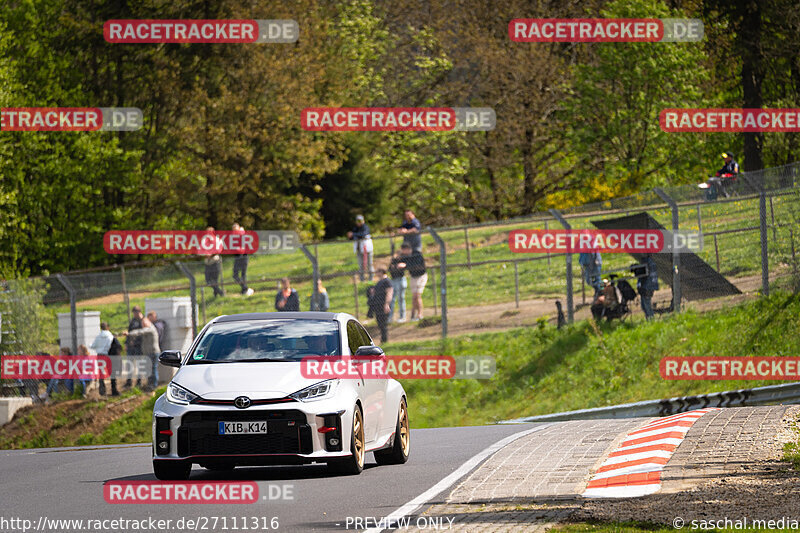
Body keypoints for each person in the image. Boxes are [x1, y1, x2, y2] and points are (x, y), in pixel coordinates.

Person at [124, 317, 161, 390]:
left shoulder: (150, 329)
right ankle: (151, 385)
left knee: (153, 369)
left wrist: (129, 333)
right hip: (150, 353)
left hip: (153, 352)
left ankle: (154, 385)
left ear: (148, 322)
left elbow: (140, 332)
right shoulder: (148, 329)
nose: (143, 325)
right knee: (150, 369)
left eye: (144, 324)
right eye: (142, 324)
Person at [397, 243, 427, 321]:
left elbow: (415, 265)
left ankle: (420, 314)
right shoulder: (405, 256)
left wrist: (405, 265)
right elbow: (399, 263)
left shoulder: (416, 254)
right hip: (413, 277)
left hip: (421, 276)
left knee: (417, 296)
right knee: (414, 297)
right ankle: (413, 315)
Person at [368, 268, 393, 343]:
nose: (376, 273)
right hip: (378, 305)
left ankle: (384, 340)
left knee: (383, 323)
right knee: (380, 323)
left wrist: (387, 304)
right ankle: (383, 339)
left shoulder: (387, 281)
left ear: (381, 272)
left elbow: (389, 293)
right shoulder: (380, 282)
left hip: (383, 305)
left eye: (377, 272)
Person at [347, 215, 374, 281]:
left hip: (367, 249)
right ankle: (362, 280)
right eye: (357, 221)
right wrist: (350, 236)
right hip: (359, 250)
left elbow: (363, 234)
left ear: (363, 221)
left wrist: (353, 234)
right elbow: (354, 237)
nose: (359, 222)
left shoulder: (365, 227)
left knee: (369, 265)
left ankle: (371, 279)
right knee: (360, 266)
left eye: (360, 221)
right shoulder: (355, 228)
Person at [632, 255, 659, 319]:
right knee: (644, 305)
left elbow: (644, 274)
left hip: (647, 287)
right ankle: (649, 318)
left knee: (646, 305)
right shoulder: (648, 262)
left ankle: (651, 319)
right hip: (647, 286)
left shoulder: (648, 263)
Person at [232, 223, 254, 296]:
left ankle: (244, 289)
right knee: (235, 275)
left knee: (243, 275)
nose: (234, 232)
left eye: (236, 230)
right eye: (233, 231)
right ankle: (245, 288)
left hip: (243, 257)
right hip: (237, 257)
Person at [124, 305, 143, 388]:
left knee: (139, 365)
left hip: (138, 346)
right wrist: (126, 343)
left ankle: (139, 382)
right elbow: (129, 332)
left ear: (139, 312)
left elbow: (142, 334)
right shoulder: (133, 321)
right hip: (131, 347)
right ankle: (129, 381)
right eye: (134, 312)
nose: (134, 314)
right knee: (129, 365)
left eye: (135, 312)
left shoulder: (142, 321)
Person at [147, 311, 167, 388]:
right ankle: (152, 384)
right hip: (154, 349)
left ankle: (154, 385)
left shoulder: (157, 326)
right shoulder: (158, 325)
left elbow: (157, 338)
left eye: (150, 318)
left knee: (153, 367)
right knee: (152, 367)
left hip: (155, 349)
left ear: (154, 317)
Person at [204, 226, 225, 297]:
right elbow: (199, 250)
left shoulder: (217, 240)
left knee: (215, 280)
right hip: (207, 262)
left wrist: (211, 254)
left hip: (215, 261)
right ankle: (220, 292)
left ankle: (217, 294)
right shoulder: (204, 241)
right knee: (208, 281)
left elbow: (219, 250)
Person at [388, 250, 407, 323]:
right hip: (393, 280)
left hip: (400, 280)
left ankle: (402, 316)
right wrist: (394, 265)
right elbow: (390, 269)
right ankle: (390, 317)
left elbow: (401, 269)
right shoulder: (393, 261)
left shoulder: (403, 260)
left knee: (401, 298)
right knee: (392, 300)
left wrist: (396, 266)